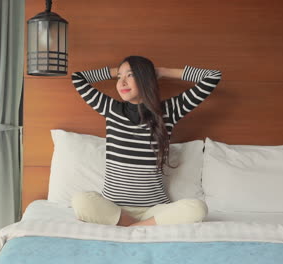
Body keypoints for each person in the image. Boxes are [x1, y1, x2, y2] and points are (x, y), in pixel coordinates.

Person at [70, 56, 222, 226]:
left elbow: (212, 76)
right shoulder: (111, 109)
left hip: (154, 210)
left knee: (197, 208)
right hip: (113, 207)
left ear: (146, 78)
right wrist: (119, 70)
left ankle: (131, 226)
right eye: (119, 77)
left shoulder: (168, 111)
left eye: (130, 75)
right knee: (81, 201)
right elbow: (78, 78)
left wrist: (162, 72)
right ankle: (138, 225)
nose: (122, 82)